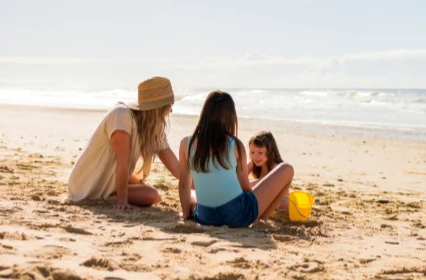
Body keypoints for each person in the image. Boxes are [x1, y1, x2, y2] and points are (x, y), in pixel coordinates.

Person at [178, 91, 294, 227]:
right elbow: (245, 187)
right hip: (235, 215)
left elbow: (184, 184)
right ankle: (262, 218)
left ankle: (257, 217)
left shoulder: (186, 143)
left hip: (205, 216)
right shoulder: (235, 144)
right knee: (287, 169)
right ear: (230, 116)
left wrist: (186, 215)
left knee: (193, 193)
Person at [68, 76, 184, 209]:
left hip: (110, 174)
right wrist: (122, 202)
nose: (171, 110)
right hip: (88, 183)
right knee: (152, 195)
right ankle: (104, 199)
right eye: (169, 105)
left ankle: (110, 195)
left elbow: (177, 168)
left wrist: (205, 188)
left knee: (143, 186)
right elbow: (122, 162)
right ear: (158, 107)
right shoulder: (121, 115)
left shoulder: (154, 129)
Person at [249, 131, 289, 211]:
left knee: (281, 202)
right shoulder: (253, 163)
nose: (255, 156)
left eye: (260, 153)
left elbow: (268, 182)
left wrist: (250, 183)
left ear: (270, 152)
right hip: (265, 199)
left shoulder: (277, 167)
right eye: (252, 152)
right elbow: (240, 174)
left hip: (279, 201)